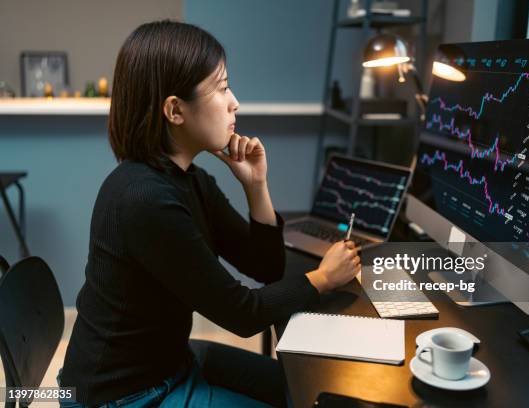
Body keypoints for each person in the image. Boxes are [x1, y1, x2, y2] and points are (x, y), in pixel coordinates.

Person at [58, 20, 361, 407]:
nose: (234, 101)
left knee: (300, 389)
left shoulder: (191, 180)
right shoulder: (144, 200)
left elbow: (265, 267)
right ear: (175, 110)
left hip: (168, 364)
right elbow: (243, 314)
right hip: (121, 395)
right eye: (221, 88)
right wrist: (323, 278)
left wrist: (256, 186)